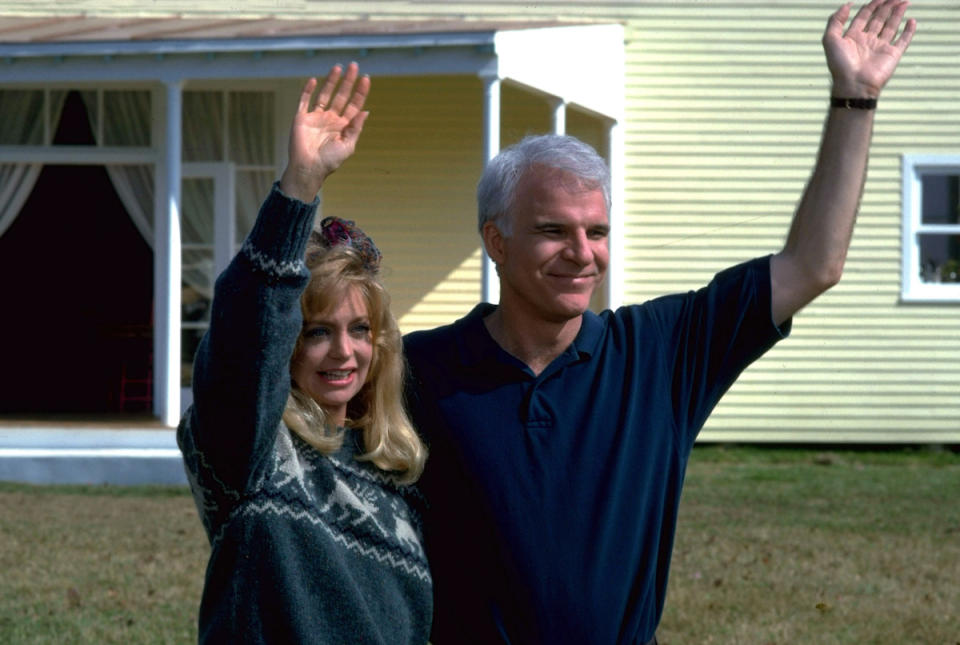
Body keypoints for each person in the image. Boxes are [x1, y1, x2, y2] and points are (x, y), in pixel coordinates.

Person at [403, 1, 916, 643]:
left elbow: (814, 264)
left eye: (597, 231)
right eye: (552, 231)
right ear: (497, 242)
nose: (582, 252)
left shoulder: (659, 355)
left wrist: (855, 97)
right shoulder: (419, 369)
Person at [177, 63, 431, 644]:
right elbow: (245, 339)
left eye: (360, 330)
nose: (344, 351)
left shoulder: (400, 477)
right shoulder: (251, 451)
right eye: (317, 331)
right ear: (285, 344)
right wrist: (299, 188)